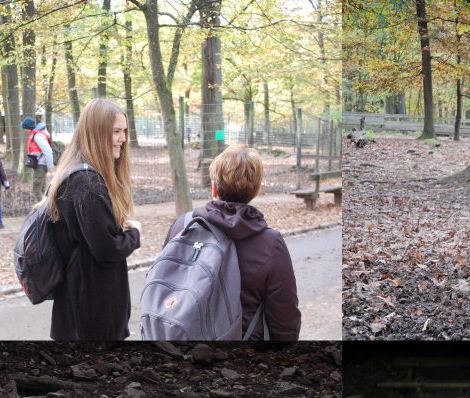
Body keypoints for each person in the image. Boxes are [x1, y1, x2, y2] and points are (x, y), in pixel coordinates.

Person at [162, 145, 301, 340]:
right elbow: (285, 321)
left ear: (214, 187)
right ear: (258, 188)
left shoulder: (183, 226)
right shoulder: (270, 243)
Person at [42, 98, 140, 340]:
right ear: (96, 133)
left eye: (124, 131)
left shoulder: (76, 174)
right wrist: (134, 233)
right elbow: (107, 250)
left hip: (81, 301)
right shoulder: (87, 183)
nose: (123, 139)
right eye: (116, 131)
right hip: (92, 306)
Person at [22, 115, 54, 201]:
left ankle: (45, 210)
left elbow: (48, 151)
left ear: (28, 127)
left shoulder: (37, 136)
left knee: (36, 190)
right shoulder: (36, 134)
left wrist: (51, 168)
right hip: (40, 165)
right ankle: (48, 210)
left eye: (24, 128)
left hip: (41, 165)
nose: (24, 130)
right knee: (42, 190)